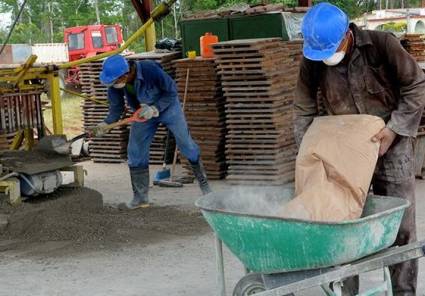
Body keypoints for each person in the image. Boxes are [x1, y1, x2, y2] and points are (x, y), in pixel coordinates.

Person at [295, 3, 425, 295]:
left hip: (391, 147)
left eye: (331, 49)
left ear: (346, 35)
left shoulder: (382, 45)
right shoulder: (313, 58)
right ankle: (346, 292)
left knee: (400, 229)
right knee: (343, 224)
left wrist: (393, 130)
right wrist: (308, 154)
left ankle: (404, 292)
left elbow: (417, 86)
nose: (326, 57)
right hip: (345, 152)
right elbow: (302, 108)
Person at [91, 55, 211, 209]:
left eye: (115, 81)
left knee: (186, 145)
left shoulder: (149, 69)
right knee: (135, 151)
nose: (114, 84)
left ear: (125, 74)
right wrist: (105, 124)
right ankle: (140, 198)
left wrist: (156, 108)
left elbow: (171, 91)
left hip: (168, 108)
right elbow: (116, 109)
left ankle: (205, 187)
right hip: (142, 114)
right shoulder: (115, 85)